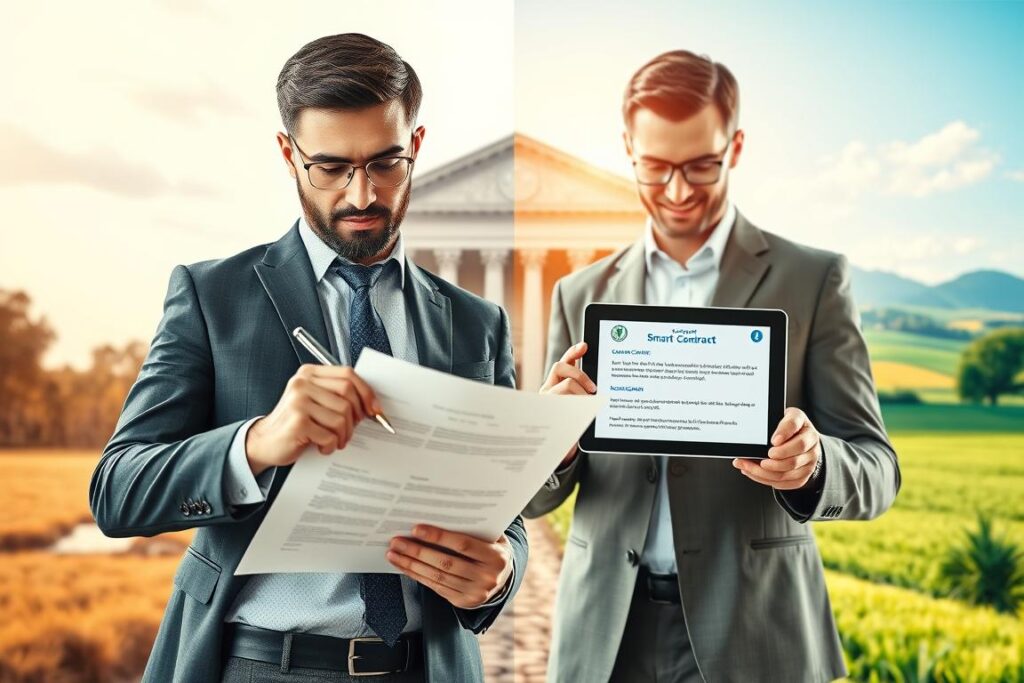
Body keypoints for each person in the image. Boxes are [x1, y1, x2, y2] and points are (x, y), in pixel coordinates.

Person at [90, 33, 525, 683]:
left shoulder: (476, 322)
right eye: (330, 168)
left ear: (418, 144)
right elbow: (117, 490)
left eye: (386, 162)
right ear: (287, 154)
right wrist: (258, 442)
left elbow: (503, 516)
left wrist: (501, 574)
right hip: (257, 664)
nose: (361, 195)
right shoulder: (212, 297)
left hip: (425, 667)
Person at [525, 49, 900, 682]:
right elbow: (535, 498)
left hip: (755, 630)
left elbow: (877, 468)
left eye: (702, 165)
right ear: (628, 149)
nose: (676, 192)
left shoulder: (811, 279)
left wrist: (812, 467)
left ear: (737, 145)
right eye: (655, 167)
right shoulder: (579, 291)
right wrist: (551, 445)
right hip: (606, 633)